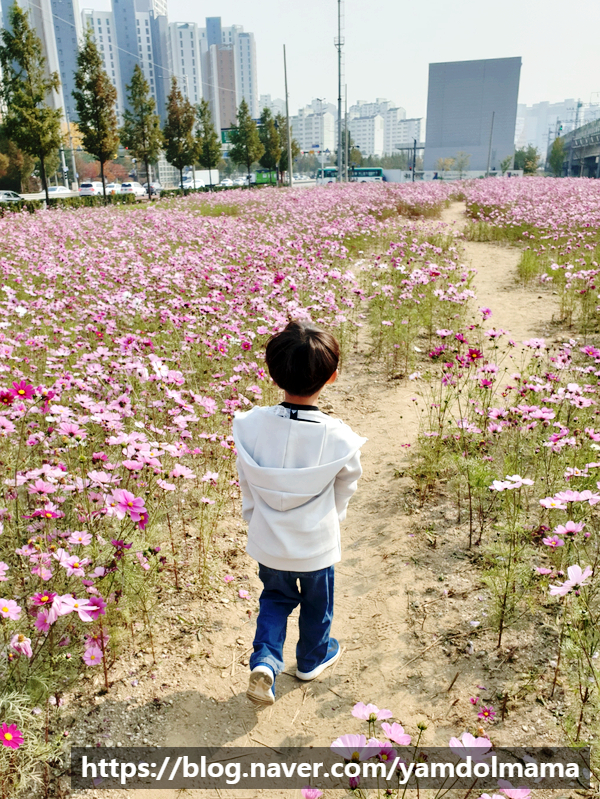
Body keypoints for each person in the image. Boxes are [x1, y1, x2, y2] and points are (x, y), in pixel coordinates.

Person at [232, 320, 367, 706]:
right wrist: (331, 521)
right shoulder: (339, 436)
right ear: (333, 376)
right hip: (314, 545)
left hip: (268, 540)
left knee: (274, 598)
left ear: (273, 374)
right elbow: (346, 486)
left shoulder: (250, 424)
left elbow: (247, 480)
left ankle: (266, 661)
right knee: (316, 604)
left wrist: (254, 517)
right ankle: (310, 659)